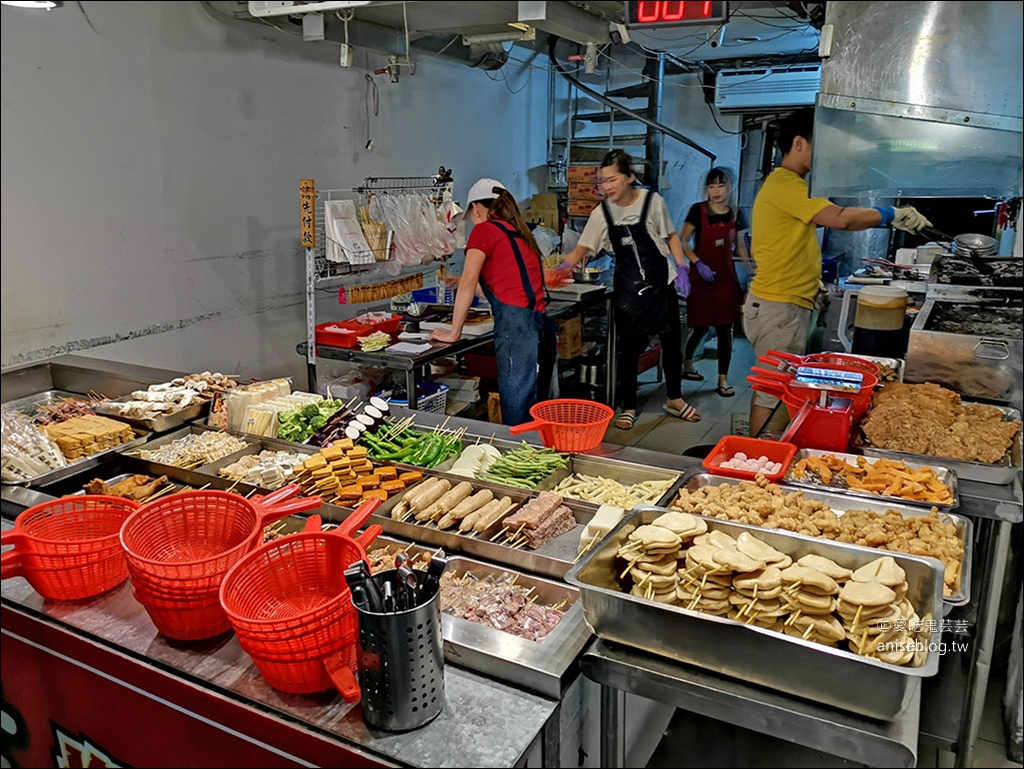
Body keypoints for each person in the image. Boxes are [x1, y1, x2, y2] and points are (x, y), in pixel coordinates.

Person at [746, 107, 932, 437]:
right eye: (822, 146)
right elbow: (842, 218)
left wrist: (811, 282)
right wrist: (890, 213)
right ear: (799, 143)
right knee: (773, 391)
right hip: (779, 305)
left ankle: (773, 451)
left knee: (781, 388)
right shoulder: (786, 184)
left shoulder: (792, 185)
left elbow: (791, 243)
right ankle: (761, 456)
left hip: (787, 301)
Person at [551, 150, 700, 430]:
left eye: (612, 179)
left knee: (671, 345)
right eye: (603, 181)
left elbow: (670, 237)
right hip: (628, 290)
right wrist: (563, 267)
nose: (607, 186)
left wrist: (681, 267)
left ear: (629, 177)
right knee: (628, 350)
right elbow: (583, 247)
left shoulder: (652, 202)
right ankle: (628, 406)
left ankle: (675, 399)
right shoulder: (602, 213)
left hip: (662, 283)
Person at [430, 178, 556, 427]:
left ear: (477, 208)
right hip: (540, 326)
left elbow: (468, 281)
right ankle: (538, 457)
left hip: (517, 331)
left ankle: (517, 461)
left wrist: (454, 333)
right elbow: (504, 288)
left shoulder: (484, 230)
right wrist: (466, 283)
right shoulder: (517, 232)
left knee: (517, 408)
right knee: (537, 405)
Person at [680, 167, 753, 398]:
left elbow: (741, 247)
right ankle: (687, 362)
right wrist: (697, 263)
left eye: (721, 185)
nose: (716, 191)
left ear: (729, 187)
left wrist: (753, 272)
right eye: (712, 186)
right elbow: (683, 242)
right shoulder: (696, 211)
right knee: (700, 325)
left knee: (725, 328)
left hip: (725, 278)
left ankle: (723, 379)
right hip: (701, 277)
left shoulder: (737, 213)